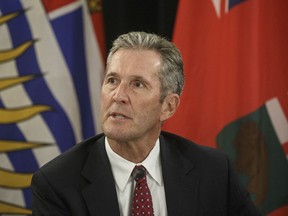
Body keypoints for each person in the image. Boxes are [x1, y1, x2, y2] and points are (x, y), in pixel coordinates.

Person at [31, 31, 261, 216]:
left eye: (137, 84)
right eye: (112, 80)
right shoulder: (57, 183)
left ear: (168, 107)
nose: (118, 95)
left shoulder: (213, 170)